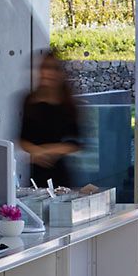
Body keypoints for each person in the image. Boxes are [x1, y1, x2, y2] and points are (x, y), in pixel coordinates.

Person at [16, 49, 85, 183]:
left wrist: (46, 151)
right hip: (35, 171)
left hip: (60, 171)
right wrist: (35, 151)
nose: (48, 73)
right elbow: (22, 138)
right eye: (45, 68)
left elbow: (75, 142)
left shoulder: (68, 103)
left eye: (53, 69)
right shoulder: (29, 100)